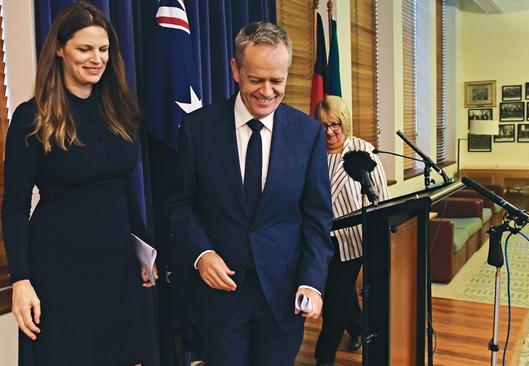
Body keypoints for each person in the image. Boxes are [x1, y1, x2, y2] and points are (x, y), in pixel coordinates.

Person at [166, 22, 334, 366]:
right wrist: (201, 253)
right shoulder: (198, 129)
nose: (267, 91)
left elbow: (317, 217)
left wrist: (313, 283)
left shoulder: (309, 134)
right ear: (235, 70)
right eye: (257, 79)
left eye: (278, 80)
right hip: (220, 296)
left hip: (284, 297)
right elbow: (179, 203)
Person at [1, 3, 156, 365]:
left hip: (117, 262)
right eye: (84, 49)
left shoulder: (120, 110)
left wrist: (143, 249)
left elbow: (124, 186)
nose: (97, 59)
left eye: (103, 49)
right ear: (59, 48)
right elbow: (15, 203)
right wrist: (20, 281)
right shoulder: (32, 116)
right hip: (59, 268)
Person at [313, 96, 390, 366]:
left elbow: (379, 196)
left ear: (345, 122)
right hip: (320, 240)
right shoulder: (313, 152)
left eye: (334, 124)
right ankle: (358, 327)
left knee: (333, 301)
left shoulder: (362, 151)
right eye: (323, 126)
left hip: (351, 240)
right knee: (341, 293)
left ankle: (323, 357)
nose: (330, 132)